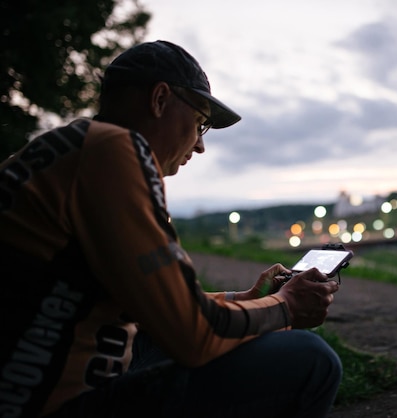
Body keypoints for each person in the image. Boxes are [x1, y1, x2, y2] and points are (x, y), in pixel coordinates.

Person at [0, 40, 342, 418]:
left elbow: (161, 308)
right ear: (160, 99)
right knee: (310, 360)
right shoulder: (116, 152)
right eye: (199, 123)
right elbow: (192, 335)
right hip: (54, 404)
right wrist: (286, 306)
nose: (199, 146)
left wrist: (248, 297)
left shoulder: (68, 150)